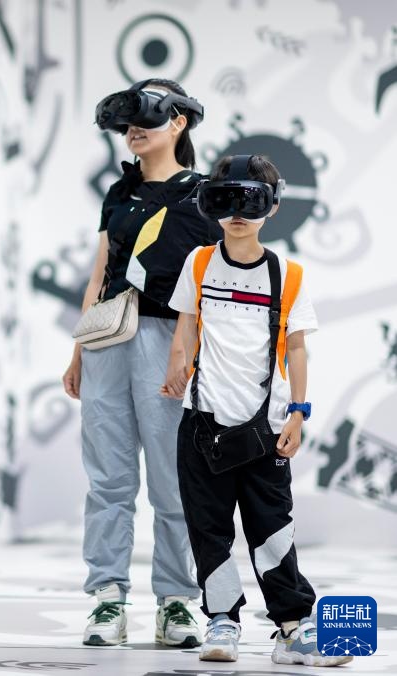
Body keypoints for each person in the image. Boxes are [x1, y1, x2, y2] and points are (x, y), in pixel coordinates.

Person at [165, 154, 351, 666]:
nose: (237, 214)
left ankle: (292, 627)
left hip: (266, 427)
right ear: (210, 204)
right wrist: (177, 365)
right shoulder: (199, 263)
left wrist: (299, 413)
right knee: (209, 528)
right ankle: (222, 622)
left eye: (251, 201)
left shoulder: (287, 275)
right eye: (225, 200)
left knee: (272, 528)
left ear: (272, 207)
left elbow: (297, 348)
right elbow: (186, 325)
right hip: (202, 423)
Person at [63, 79, 220, 647]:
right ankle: (107, 598)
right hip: (107, 339)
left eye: (147, 118)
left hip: (168, 342)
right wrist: (78, 351)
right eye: (127, 122)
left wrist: (193, 355)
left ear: (179, 122)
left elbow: (211, 285)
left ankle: (176, 603)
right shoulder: (118, 192)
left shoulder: (204, 195)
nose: (134, 130)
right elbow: (99, 273)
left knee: (174, 481)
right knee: (108, 479)